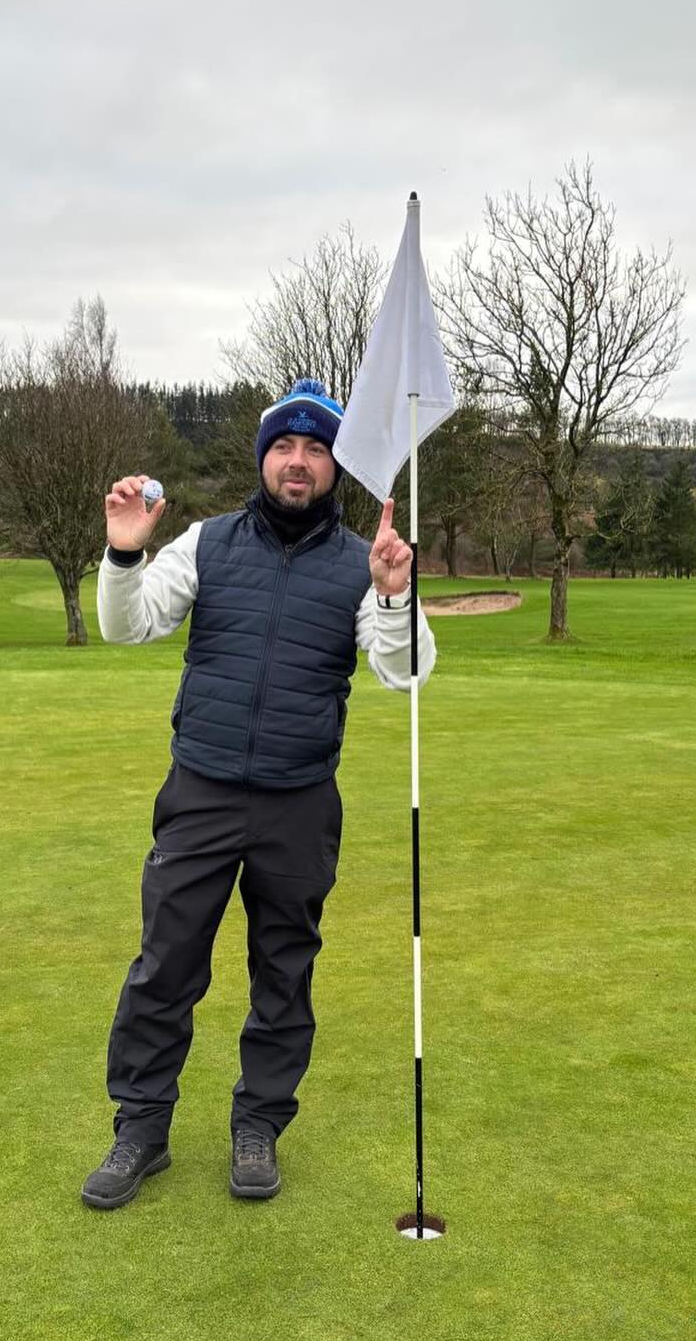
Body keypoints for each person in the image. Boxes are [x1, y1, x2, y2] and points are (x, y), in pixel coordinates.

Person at [82, 378, 436, 1210]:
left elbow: (404, 670)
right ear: (264, 458)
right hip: (200, 791)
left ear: (334, 467)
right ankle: (141, 1128)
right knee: (165, 965)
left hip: (299, 801)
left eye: (317, 449)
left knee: (284, 972)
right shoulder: (207, 543)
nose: (299, 462)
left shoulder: (362, 563)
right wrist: (125, 551)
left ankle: (258, 1127)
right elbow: (126, 625)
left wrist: (393, 595)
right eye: (285, 446)